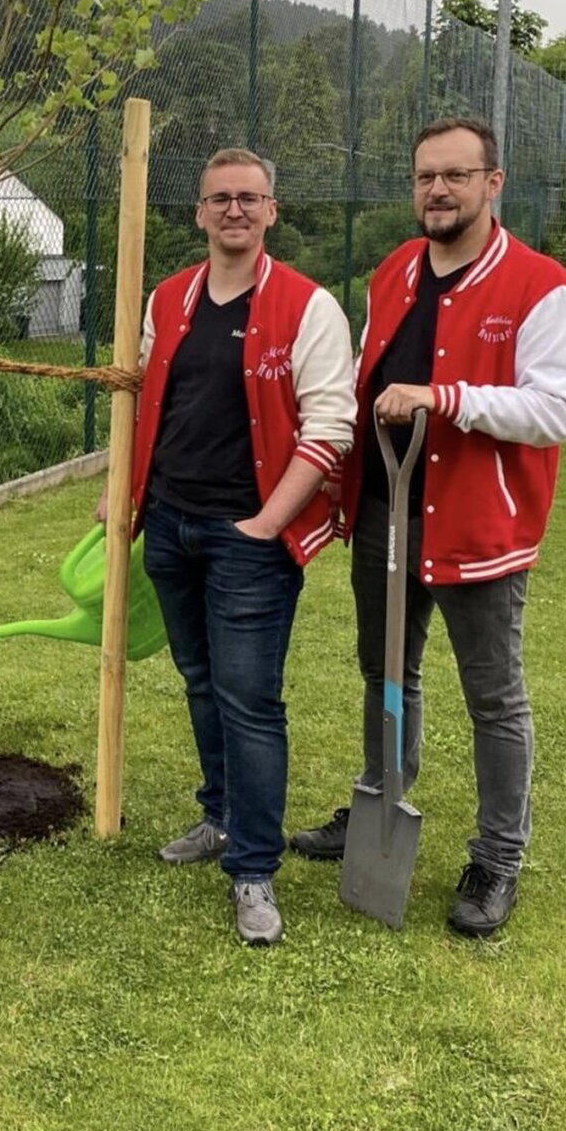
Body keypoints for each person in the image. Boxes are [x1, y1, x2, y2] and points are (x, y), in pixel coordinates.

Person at [291, 116, 566, 936]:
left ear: (494, 183)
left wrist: (445, 399)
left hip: (478, 524)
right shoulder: (394, 272)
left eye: (456, 176)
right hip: (388, 507)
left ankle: (498, 856)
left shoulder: (539, 287)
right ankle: (379, 797)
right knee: (388, 672)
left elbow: (558, 408)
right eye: (426, 176)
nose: (438, 191)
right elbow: (365, 373)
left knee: (494, 696)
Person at [105, 147, 355, 945]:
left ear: (272, 211)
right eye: (221, 199)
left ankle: (254, 868)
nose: (235, 210)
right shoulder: (169, 299)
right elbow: (146, 402)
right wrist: (131, 498)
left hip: (249, 536)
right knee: (200, 679)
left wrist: (266, 523)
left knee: (251, 700)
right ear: (201, 212)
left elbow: (329, 430)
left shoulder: (309, 309)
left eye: (250, 198)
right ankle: (218, 814)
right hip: (172, 524)